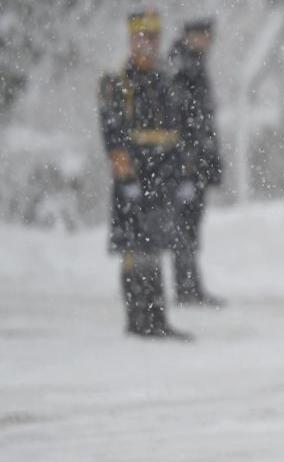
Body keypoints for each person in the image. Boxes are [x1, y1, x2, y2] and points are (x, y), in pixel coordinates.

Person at [98, 9, 190, 339]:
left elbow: (178, 131)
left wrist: (182, 175)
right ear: (131, 39)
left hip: (161, 177)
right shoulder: (119, 83)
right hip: (135, 177)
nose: (148, 44)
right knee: (134, 250)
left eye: (153, 38)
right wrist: (126, 179)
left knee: (155, 249)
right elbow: (114, 135)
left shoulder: (165, 81)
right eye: (142, 37)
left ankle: (157, 319)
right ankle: (137, 319)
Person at [169, 17, 224, 306]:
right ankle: (186, 287)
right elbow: (184, 122)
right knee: (184, 226)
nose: (207, 41)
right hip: (185, 164)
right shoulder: (183, 68)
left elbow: (203, 122)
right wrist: (186, 165)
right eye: (202, 36)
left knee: (191, 226)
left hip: (197, 162)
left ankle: (191, 285)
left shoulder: (195, 66)